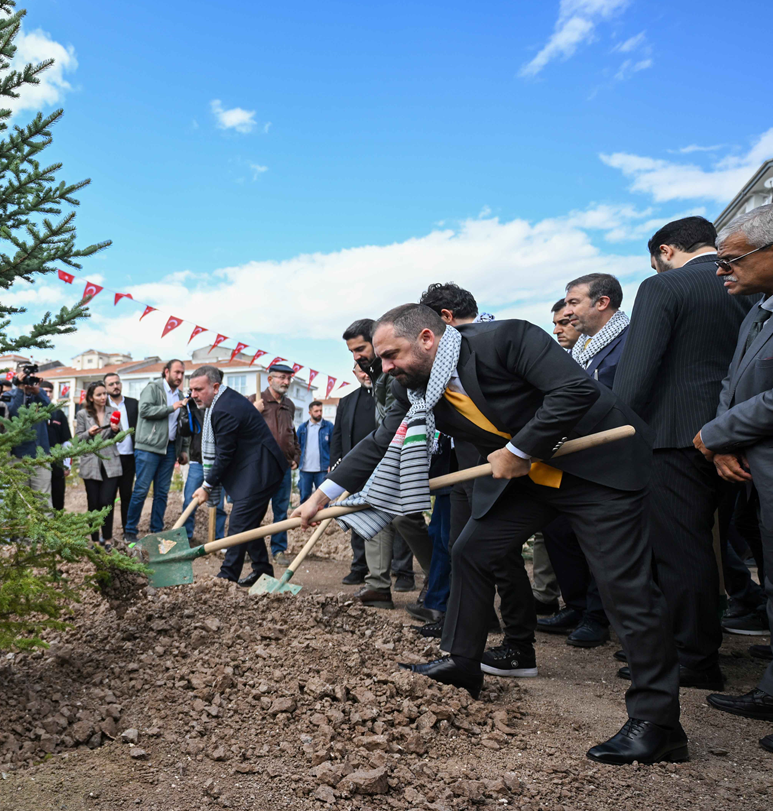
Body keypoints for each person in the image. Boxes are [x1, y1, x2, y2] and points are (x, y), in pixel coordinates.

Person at [296, 303, 682, 765]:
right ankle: (463, 663)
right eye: (381, 359)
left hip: (596, 467)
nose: (386, 367)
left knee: (624, 588)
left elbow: (575, 391)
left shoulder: (507, 340)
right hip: (530, 477)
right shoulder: (412, 386)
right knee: (473, 551)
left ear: (427, 338)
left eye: (391, 354)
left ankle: (659, 724)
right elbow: (382, 440)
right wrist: (323, 495)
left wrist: (520, 448)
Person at [614, 216, 756, 692]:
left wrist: (618, 430)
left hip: (674, 434)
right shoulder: (753, 286)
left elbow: (636, 372)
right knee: (732, 543)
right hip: (742, 431)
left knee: (681, 550)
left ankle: (693, 657)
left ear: (666, 251)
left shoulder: (663, 287)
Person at [414, 283, 533, 658]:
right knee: (460, 547)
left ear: (445, 318)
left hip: (500, 465)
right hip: (462, 466)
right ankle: (463, 623)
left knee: (501, 555)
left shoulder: (496, 346)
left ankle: (518, 641)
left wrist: (516, 452)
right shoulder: (442, 362)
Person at [694, 205, 773, 754]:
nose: (721, 270)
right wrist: (721, 440)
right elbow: (733, 379)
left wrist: (719, 432)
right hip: (752, 462)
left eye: (731, 259)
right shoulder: (755, 312)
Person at [539, 282, 631, 650]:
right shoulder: (579, 352)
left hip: (611, 457)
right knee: (559, 532)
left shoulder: (627, 342)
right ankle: (577, 607)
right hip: (573, 458)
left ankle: (597, 616)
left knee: (600, 541)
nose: (567, 316)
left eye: (573, 305)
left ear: (602, 302)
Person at [340, 321, 423, 606]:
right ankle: (377, 586)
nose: (357, 357)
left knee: (406, 518)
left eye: (361, 348)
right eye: (352, 352)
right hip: (387, 455)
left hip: (406, 454)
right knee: (374, 508)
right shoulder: (378, 376)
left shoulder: (394, 373)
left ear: (376, 342)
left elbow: (394, 424)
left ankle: (440, 582)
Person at [189, 365, 283, 586]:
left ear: (215, 387)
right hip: (253, 467)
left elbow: (224, 455)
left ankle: (227, 577)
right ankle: (262, 571)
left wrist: (206, 486)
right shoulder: (223, 401)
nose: (193, 395)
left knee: (239, 524)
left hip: (261, 470)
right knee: (249, 524)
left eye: (199, 389)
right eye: (191, 390)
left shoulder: (224, 409)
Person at [126, 359, 186, 540]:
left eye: (182, 373)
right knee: (141, 490)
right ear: (166, 372)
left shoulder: (181, 395)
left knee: (161, 493)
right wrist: (170, 408)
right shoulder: (153, 388)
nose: (180, 376)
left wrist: (183, 450)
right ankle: (130, 531)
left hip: (170, 450)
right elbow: (144, 410)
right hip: (148, 448)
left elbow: (181, 425)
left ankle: (156, 531)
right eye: (176, 372)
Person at [330, 364, 378, 584]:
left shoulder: (389, 396)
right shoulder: (346, 401)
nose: (366, 374)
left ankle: (401, 570)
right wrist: (335, 465)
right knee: (356, 518)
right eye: (361, 370)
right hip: (355, 470)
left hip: (384, 466)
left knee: (395, 520)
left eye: (369, 369)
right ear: (354, 373)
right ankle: (359, 567)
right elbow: (337, 435)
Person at [252, 363, 299, 564]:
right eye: (281, 377)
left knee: (281, 511)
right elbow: (240, 429)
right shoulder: (255, 401)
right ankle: (251, 549)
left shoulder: (289, 405)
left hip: (284, 466)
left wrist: (295, 455)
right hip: (261, 466)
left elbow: (291, 432)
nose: (286, 382)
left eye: (288, 378)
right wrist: (253, 411)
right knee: (255, 510)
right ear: (270, 379)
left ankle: (278, 550)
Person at [75, 381, 125, 544]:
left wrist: (116, 431)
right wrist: (89, 434)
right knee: (93, 503)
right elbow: (78, 439)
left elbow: (121, 437)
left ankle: (108, 538)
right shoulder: (83, 414)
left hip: (111, 462)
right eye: (99, 394)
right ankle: (95, 540)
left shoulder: (113, 412)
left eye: (105, 394)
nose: (103, 397)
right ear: (91, 397)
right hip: (91, 462)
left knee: (107, 501)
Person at [180, 384, 229, 542]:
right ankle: (186, 538)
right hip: (197, 460)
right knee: (190, 501)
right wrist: (185, 409)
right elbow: (184, 430)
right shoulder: (193, 405)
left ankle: (217, 540)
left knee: (218, 505)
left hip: (218, 463)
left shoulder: (224, 405)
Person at [5, 373, 54, 496]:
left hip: (41, 455)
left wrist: (37, 391)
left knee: (43, 498)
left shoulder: (39, 394)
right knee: (20, 498)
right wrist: (21, 390)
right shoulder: (9, 395)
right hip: (18, 456)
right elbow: (15, 414)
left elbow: (50, 411)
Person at [103, 373, 138, 533]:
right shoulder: (102, 405)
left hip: (129, 457)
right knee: (107, 498)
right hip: (109, 458)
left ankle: (128, 531)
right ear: (105, 387)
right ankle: (107, 535)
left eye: (117, 383)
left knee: (127, 496)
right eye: (111, 384)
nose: (115, 386)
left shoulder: (133, 404)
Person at [40, 380, 71, 511]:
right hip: (38, 463)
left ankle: (57, 522)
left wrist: (67, 465)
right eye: (44, 391)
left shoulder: (59, 413)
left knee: (57, 499)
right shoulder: (32, 412)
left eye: (50, 391)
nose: (48, 394)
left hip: (57, 464)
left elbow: (66, 441)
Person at [296, 399, 332, 502]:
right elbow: (296, 446)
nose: (319, 413)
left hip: (322, 469)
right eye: (316, 411)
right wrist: (296, 461)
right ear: (310, 412)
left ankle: (323, 514)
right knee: (304, 497)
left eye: (321, 410)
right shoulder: (302, 428)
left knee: (322, 499)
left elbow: (334, 446)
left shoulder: (329, 427)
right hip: (305, 469)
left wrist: (331, 464)